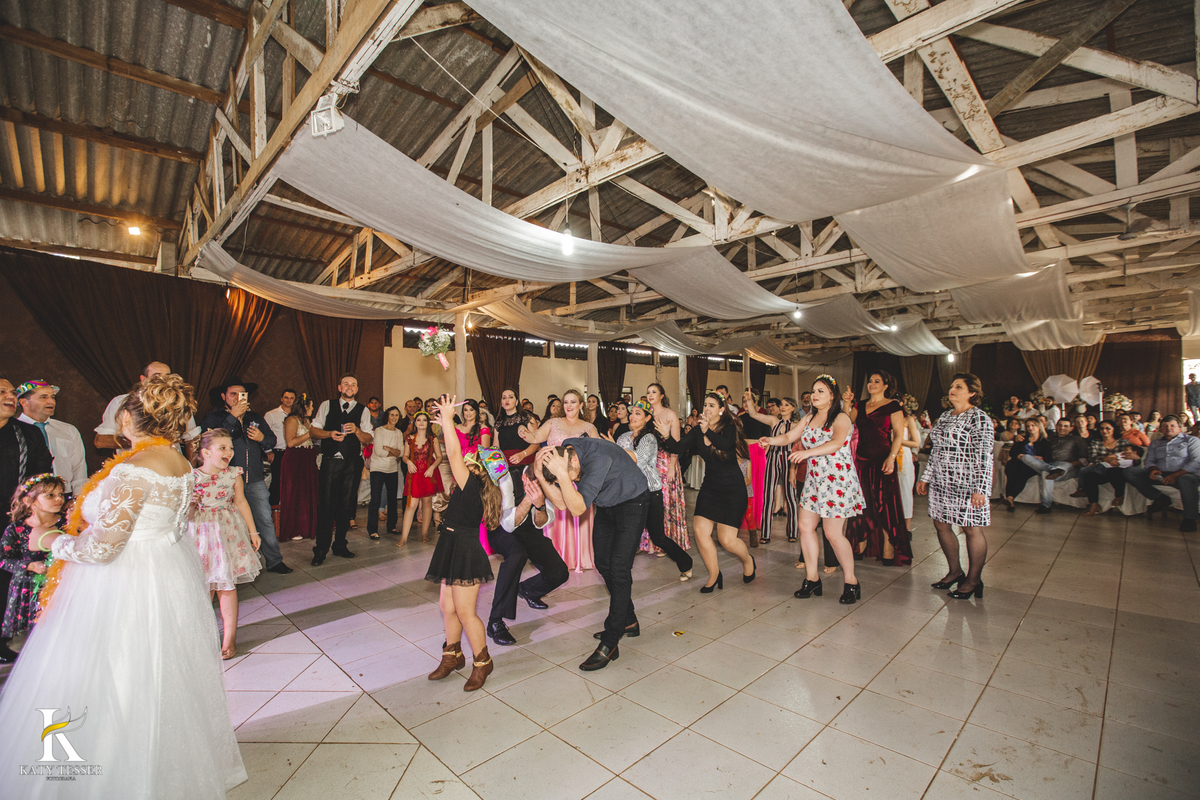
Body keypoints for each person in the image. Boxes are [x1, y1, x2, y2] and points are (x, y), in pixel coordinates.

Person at [0, 374, 248, 798]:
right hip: (165, 569)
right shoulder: (177, 461)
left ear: (129, 418)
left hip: (126, 580)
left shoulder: (135, 468)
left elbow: (102, 549)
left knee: (113, 670)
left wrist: (48, 540)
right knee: (156, 670)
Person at [533, 438, 649, 671]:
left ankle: (611, 640)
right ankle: (629, 620)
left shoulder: (597, 458)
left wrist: (564, 476)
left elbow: (576, 508)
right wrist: (540, 473)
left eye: (571, 474)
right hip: (607, 503)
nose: (574, 479)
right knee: (602, 564)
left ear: (572, 459)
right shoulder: (567, 451)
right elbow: (562, 503)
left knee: (618, 568)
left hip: (632, 501)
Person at [760, 376, 864, 603]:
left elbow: (837, 443)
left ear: (833, 396)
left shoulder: (841, 417)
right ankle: (812, 578)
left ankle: (851, 582)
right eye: (813, 391)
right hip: (815, 481)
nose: (815, 395)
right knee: (805, 526)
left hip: (837, 482)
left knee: (833, 534)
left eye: (821, 391)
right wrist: (771, 440)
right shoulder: (809, 418)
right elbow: (789, 436)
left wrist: (807, 453)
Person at [424, 395, 502, 692]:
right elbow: (458, 455)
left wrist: (446, 419)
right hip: (451, 542)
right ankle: (452, 655)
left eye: (474, 456)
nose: (469, 455)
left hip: (466, 549)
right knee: (447, 605)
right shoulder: (473, 484)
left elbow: (453, 454)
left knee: (465, 611)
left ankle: (483, 662)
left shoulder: (474, 485)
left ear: (479, 467)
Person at [660, 391, 756, 593]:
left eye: (712, 405)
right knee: (700, 532)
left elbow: (725, 445)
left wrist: (707, 431)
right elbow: (677, 448)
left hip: (732, 489)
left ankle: (748, 561)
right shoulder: (697, 431)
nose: (706, 408)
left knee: (727, 541)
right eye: (705, 405)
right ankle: (714, 575)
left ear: (721, 410)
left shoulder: (728, 428)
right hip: (710, 488)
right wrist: (667, 435)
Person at [200, 378, 291, 574]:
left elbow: (271, 440)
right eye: (233, 394)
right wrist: (233, 417)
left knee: (264, 520)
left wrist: (262, 438)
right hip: (224, 482)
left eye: (242, 394)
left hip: (255, 479)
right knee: (231, 525)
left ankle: (275, 561)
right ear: (224, 396)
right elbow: (214, 440)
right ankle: (233, 568)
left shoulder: (255, 417)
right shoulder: (213, 418)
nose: (239, 398)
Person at [187, 429, 262, 659]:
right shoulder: (192, 477)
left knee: (227, 585)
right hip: (201, 533)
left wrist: (252, 530)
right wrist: (190, 503)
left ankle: (229, 639)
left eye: (230, 447)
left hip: (227, 533)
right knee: (204, 588)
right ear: (205, 452)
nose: (229, 452)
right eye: (223, 448)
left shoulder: (233, 474)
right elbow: (186, 515)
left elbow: (241, 501)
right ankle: (203, 636)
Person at [918, 373, 993, 601]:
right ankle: (954, 571)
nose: (952, 389)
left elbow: (985, 456)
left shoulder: (979, 418)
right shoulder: (945, 416)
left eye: (958, 386)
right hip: (942, 482)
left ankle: (973, 580)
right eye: (952, 386)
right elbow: (936, 450)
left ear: (972, 392)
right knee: (941, 525)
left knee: (971, 529)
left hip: (968, 483)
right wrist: (926, 477)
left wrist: (981, 487)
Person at [485, 459, 567, 647]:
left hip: (529, 530)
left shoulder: (550, 483)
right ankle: (495, 622)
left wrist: (539, 506)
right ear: (524, 477)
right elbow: (507, 524)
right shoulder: (507, 477)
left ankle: (528, 590)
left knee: (559, 572)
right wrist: (528, 500)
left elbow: (542, 523)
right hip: (501, 529)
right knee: (517, 555)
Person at [0, 377, 52, 664]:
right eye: (2, 392)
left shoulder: (27, 434)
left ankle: (5, 639)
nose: (10, 395)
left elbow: (42, 475)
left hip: (14, 519)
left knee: (9, 579)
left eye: (11, 391)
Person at [614, 401, 693, 579]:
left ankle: (686, 562)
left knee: (658, 537)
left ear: (647, 418)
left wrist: (615, 451)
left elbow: (639, 461)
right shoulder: (624, 437)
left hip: (649, 492)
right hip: (629, 493)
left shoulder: (649, 438)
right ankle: (619, 571)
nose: (632, 416)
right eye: (631, 413)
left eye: (637, 414)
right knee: (626, 532)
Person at [521, 389, 598, 570]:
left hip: (580, 483)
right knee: (558, 518)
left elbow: (595, 455)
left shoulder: (589, 428)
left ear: (581, 405)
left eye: (573, 402)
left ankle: (579, 557)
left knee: (577, 516)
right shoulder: (553, 422)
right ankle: (555, 558)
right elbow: (535, 437)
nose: (568, 405)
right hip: (553, 481)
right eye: (566, 402)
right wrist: (523, 431)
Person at [843, 371, 911, 566]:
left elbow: (898, 434)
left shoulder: (893, 406)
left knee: (886, 505)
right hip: (862, 460)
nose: (871, 384)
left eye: (876, 381)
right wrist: (847, 403)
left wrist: (892, 457)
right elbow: (847, 424)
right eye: (870, 381)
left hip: (883, 459)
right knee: (863, 504)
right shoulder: (861, 405)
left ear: (886, 385)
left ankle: (889, 550)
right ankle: (859, 546)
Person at [309, 374, 374, 565]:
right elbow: (313, 431)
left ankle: (340, 545)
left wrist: (357, 431)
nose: (349, 387)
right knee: (327, 505)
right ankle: (321, 549)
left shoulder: (363, 410)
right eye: (346, 384)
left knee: (346, 506)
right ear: (339, 387)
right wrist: (328, 434)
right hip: (331, 461)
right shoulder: (326, 405)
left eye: (353, 384)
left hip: (352, 463)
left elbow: (368, 439)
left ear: (357, 389)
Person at [1, 474, 64, 643]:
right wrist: (29, 566)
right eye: (50, 495)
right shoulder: (17, 529)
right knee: (33, 637)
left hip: (62, 586)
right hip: (29, 589)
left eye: (61, 494)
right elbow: (4, 560)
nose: (59, 499)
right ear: (30, 501)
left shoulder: (67, 523)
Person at [94, 360, 200, 453]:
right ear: (143, 379)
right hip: (134, 464)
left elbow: (192, 438)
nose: (163, 380)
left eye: (167, 376)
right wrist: (140, 442)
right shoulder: (120, 402)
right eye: (157, 376)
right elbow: (100, 441)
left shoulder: (179, 402)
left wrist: (194, 473)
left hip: (171, 465)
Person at [1123, 415, 1200, 531]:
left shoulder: (1191, 440)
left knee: (1186, 480)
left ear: (1180, 428)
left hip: (1184, 475)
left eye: (1172, 425)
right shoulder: (1155, 443)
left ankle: (1189, 519)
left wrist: (1175, 475)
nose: (1168, 428)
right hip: (1161, 475)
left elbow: (1196, 462)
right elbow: (1149, 461)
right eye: (1165, 426)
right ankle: (1159, 497)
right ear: (1160, 429)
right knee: (1129, 472)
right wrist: (1153, 469)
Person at [742, 393, 799, 544]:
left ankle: (793, 531)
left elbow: (797, 445)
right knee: (768, 495)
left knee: (791, 496)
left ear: (793, 408)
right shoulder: (774, 421)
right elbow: (753, 414)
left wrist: (794, 467)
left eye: (787, 405)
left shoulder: (796, 425)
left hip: (788, 457)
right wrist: (749, 399)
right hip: (772, 457)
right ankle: (765, 534)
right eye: (782, 404)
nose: (783, 407)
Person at [16, 381, 87, 496]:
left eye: (52, 397)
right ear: (24, 402)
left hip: (64, 495)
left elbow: (79, 469)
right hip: (26, 496)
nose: (51, 401)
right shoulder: (14, 430)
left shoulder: (68, 430)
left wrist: (78, 498)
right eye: (43, 397)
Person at [646, 383, 690, 554]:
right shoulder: (647, 415)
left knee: (665, 502)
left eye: (654, 392)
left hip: (666, 462)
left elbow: (676, 445)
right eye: (648, 392)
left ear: (662, 395)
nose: (650, 395)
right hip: (649, 462)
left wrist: (672, 467)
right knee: (650, 503)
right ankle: (650, 541)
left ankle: (666, 541)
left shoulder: (670, 414)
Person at [1020, 418, 1089, 514]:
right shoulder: (1049, 439)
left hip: (1068, 466)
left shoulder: (1077, 439)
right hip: (1049, 464)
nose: (1062, 428)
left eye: (1066, 426)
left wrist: (1072, 464)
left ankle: (1046, 504)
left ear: (1071, 428)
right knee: (1027, 458)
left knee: (1049, 472)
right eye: (1060, 425)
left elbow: (1085, 459)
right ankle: (1053, 472)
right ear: (1056, 426)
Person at [1074, 420, 1138, 516]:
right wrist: (1106, 459)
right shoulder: (1095, 442)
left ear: (1113, 429)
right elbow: (1092, 457)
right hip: (1102, 468)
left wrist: (1129, 458)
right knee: (1089, 475)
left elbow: (1134, 457)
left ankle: (1119, 495)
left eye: (1108, 428)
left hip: (1118, 469)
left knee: (1113, 471)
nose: (1104, 431)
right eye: (1102, 428)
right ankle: (1094, 504)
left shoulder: (1123, 442)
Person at [279, 394, 318, 541]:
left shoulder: (306, 420)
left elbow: (313, 437)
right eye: (311, 406)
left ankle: (307, 526)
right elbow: (291, 442)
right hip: (295, 458)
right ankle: (295, 528)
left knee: (307, 492)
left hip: (307, 457)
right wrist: (310, 433)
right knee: (295, 492)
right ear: (304, 407)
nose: (313, 409)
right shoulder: (291, 419)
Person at [400, 411, 443, 545]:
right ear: (415, 422)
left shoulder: (433, 438)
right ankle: (403, 537)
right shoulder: (409, 438)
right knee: (411, 505)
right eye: (419, 420)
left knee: (427, 503)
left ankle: (424, 534)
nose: (421, 422)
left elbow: (440, 456)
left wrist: (432, 467)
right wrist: (408, 462)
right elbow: (404, 456)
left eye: (424, 420)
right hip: (414, 474)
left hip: (428, 474)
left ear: (428, 422)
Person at [369, 407, 405, 539]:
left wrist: (389, 449)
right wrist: (393, 452)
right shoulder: (379, 430)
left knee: (392, 499)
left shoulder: (399, 433)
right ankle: (372, 529)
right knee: (375, 499)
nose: (394, 417)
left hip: (392, 469)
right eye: (392, 415)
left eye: (397, 415)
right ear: (387, 416)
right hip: (378, 468)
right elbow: (379, 451)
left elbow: (401, 452)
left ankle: (392, 526)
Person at [1001, 420, 1052, 511]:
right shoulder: (1023, 439)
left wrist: (1034, 457)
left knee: (1022, 473)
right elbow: (1012, 453)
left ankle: (1010, 498)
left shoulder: (1044, 441)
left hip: (1032, 464)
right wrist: (1018, 455)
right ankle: (1010, 500)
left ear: (1039, 427)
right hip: (1018, 461)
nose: (1030, 428)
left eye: (1033, 425)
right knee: (1011, 469)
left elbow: (1048, 458)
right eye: (1028, 426)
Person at [263, 388, 296, 507]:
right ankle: (273, 509)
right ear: (281, 399)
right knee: (277, 481)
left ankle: (288, 509)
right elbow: (264, 434)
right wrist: (268, 451)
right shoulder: (271, 414)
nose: (289, 400)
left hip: (294, 452)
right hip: (278, 452)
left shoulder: (296, 415)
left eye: (291, 398)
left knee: (292, 483)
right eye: (286, 397)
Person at [897, 399, 923, 530]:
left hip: (903, 457)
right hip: (888, 456)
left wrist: (898, 440)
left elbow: (916, 443)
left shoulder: (908, 420)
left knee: (905, 491)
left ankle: (907, 528)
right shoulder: (887, 418)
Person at [495, 389, 537, 465]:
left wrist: (522, 454)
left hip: (525, 459)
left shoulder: (527, 418)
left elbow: (536, 442)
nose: (507, 400)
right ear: (501, 402)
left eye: (510, 397)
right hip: (505, 463)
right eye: (504, 398)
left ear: (517, 401)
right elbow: (496, 448)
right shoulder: (499, 423)